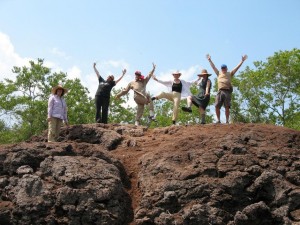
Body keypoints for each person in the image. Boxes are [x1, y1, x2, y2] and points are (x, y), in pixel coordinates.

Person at [207, 54, 248, 123]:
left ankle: (227, 121)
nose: (223, 69)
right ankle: (218, 120)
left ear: (226, 68)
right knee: (217, 106)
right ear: (221, 69)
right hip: (220, 91)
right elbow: (213, 67)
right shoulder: (219, 73)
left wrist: (242, 61)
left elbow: (236, 68)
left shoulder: (230, 73)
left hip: (227, 91)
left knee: (227, 106)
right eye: (222, 68)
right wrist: (210, 60)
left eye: (224, 68)